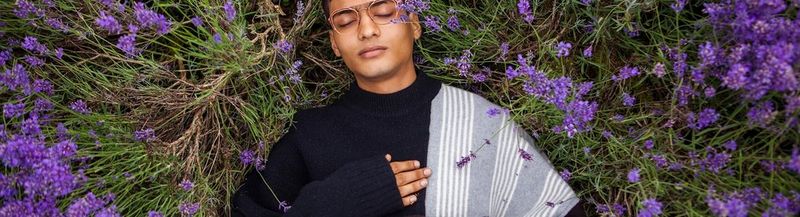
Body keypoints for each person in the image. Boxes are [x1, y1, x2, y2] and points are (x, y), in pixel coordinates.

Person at [231, 0, 586, 216]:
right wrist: (331, 205)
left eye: (383, 10)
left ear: (415, 24)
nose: (367, 30)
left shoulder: (482, 123)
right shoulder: (308, 134)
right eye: (346, 20)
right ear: (334, 43)